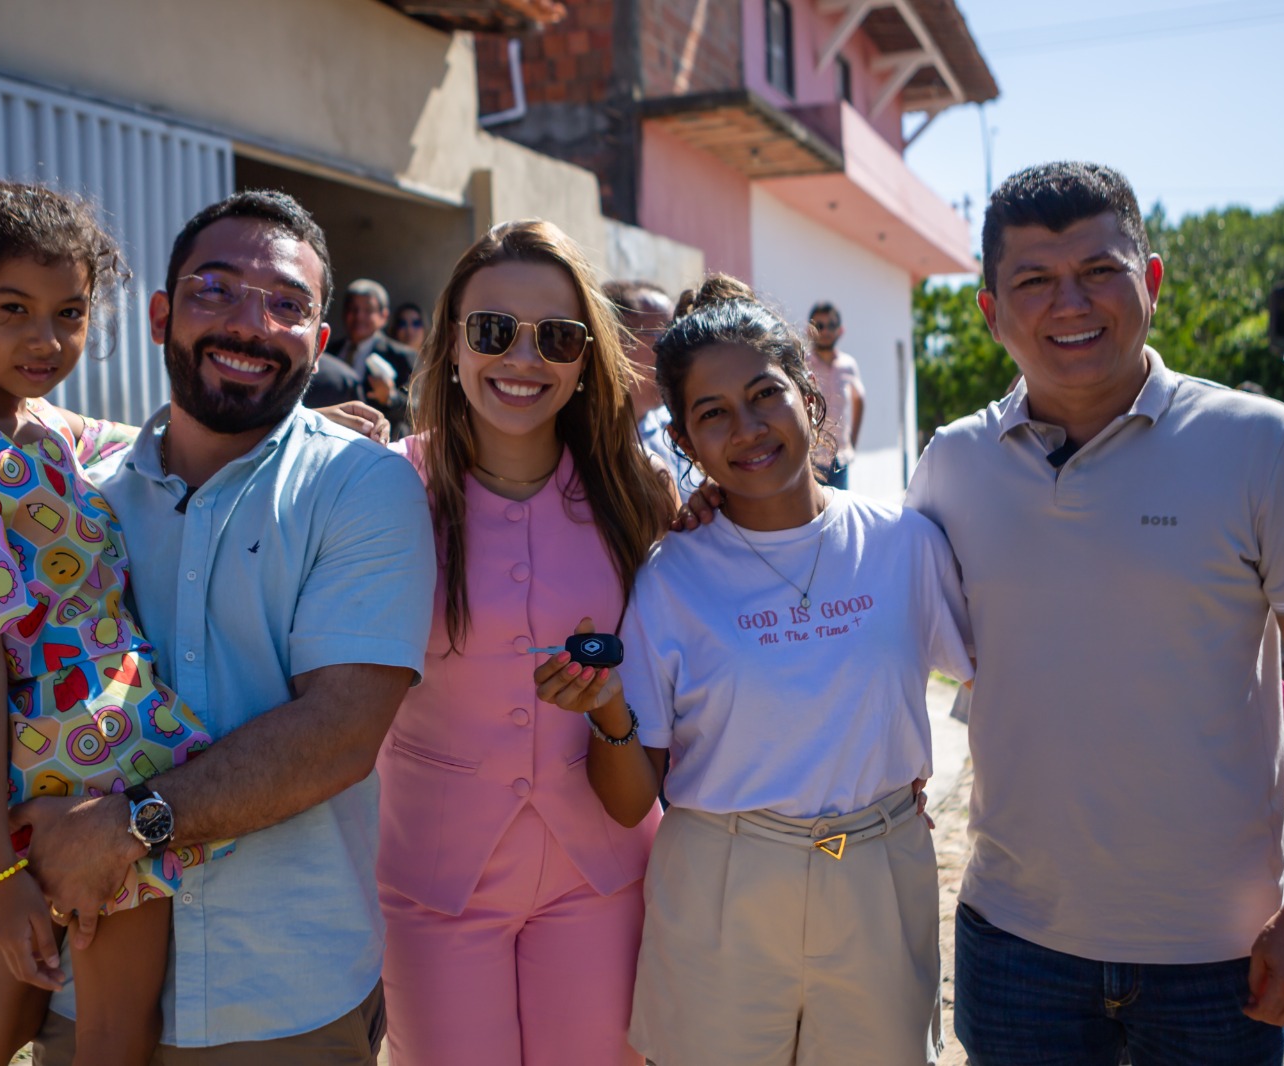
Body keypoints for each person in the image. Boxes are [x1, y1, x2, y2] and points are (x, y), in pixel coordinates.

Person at [0, 189, 437, 1062]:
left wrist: (119, 828)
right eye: (216, 290)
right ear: (162, 314)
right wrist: (16, 846)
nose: (248, 323)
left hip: (280, 1003)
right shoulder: (79, 483)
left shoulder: (362, 487)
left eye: (286, 305)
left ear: (321, 341)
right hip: (82, 989)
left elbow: (340, 733)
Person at [907, 162, 1284, 1064]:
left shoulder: (1265, 446)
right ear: (989, 311)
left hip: (1222, 957)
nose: (1069, 303)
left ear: (1152, 283)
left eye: (1099, 271)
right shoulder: (952, 465)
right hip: (1015, 946)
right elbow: (859, 598)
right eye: (1034, 281)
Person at [540, 275, 970, 1065]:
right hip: (721, 889)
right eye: (712, 414)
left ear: (811, 396)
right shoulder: (670, 577)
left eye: (765, 394)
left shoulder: (904, 544)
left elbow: (995, 682)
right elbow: (632, 799)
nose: (747, 428)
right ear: (687, 442)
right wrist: (606, 713)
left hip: (881, 872)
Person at [0, 181, 232, 1066]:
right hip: (83, 767)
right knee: (115, 1038)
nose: (46, 341)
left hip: (80, 751)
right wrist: (2, 873)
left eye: (70, 312)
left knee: (1, 1019)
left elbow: (159, 441)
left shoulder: (34, 424)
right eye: (12, 311)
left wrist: (302, 426)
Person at [376, 220, 677, 1064]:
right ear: (451, 342)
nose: (523, 358)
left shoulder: (639, 493)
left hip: (604, 871)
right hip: (435, 880)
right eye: (494, 330)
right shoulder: (380, 487)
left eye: (558, 337)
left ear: (587, 360)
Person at [603, 278, 700, 500]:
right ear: (614, 342)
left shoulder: (675, 429)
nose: (677, 353)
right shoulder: (569, 439)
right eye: (666, 338)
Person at [327, 278, 414, 438]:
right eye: (353, 309)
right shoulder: (329, 351)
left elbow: (417, 410)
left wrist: (390, 397)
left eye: (368, 310)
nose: (359, 316)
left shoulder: (401, 356)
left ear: (384, 316)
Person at [805, 301, 863, 489]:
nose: (825, 331)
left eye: (831, 325)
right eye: (819, 326)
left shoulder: (849, 365)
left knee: (839, 514)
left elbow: (859, 400)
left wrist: (852, 443)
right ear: (810, 330)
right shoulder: (801, 363)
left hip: (840, 460)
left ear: (840, 330)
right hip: (810, 459)